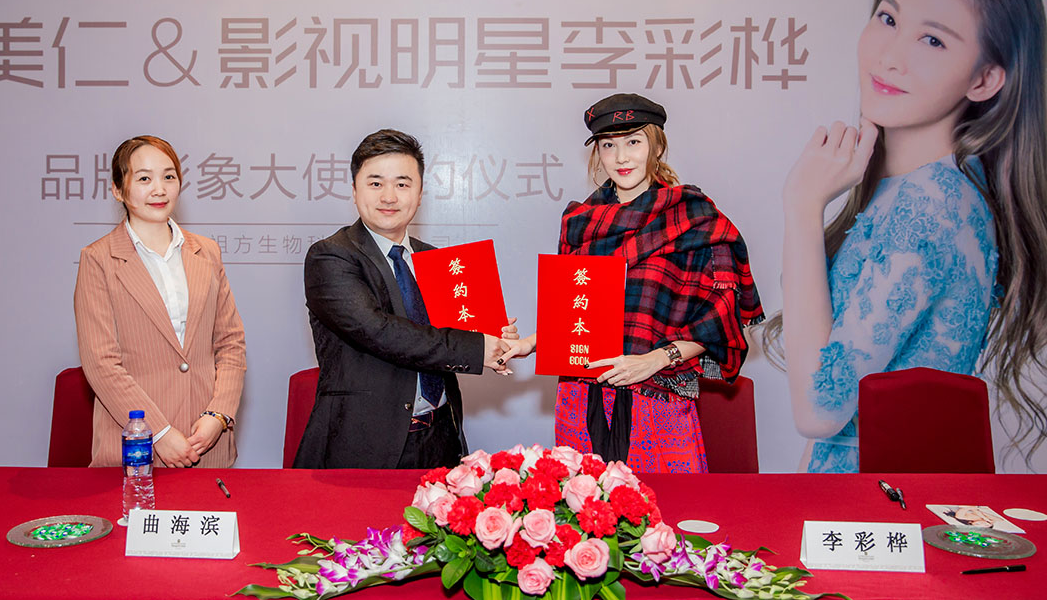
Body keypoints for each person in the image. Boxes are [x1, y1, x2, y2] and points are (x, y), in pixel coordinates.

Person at [765, 0, 1047, 472]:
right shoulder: (937, 189)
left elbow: (820, 410)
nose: (891, 56)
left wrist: (801, 205)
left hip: (872, 506)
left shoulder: (930, 205)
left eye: (933, 40)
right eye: (889, 19)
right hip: (869, 502)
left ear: (985, 79)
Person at [499, 94, 763, 473]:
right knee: (584, 505)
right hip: (582, 396)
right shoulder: (580, 222)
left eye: (633, 142)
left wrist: (654, 360)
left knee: (667, 507)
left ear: (656, 146)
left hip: (658, 398)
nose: (621, 157)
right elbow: (577, 312)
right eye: (609, 145)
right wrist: (527, 344)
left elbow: (718, 321)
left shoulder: (694, 217)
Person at [294, 129, 514, 470]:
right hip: (363, 447)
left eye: (402, 183)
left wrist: (496, 338)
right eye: (375, 183)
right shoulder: (331, 256)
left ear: (420, 194)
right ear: (354, 191)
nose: (389, 196)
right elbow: (380, 331)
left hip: (440, 438)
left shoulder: (436, 260)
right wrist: (478, 348)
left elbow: (457, 333)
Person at [74, 135, 247, 468]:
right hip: (135, 446)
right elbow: (101, 363)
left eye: (169, 176)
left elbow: (231, 343)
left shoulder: (206, 251)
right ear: (117, 189)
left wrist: (218, 414)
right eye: (144, 179)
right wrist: (159, 432)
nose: (159, 189)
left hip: (205, 442)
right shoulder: (98, 259)